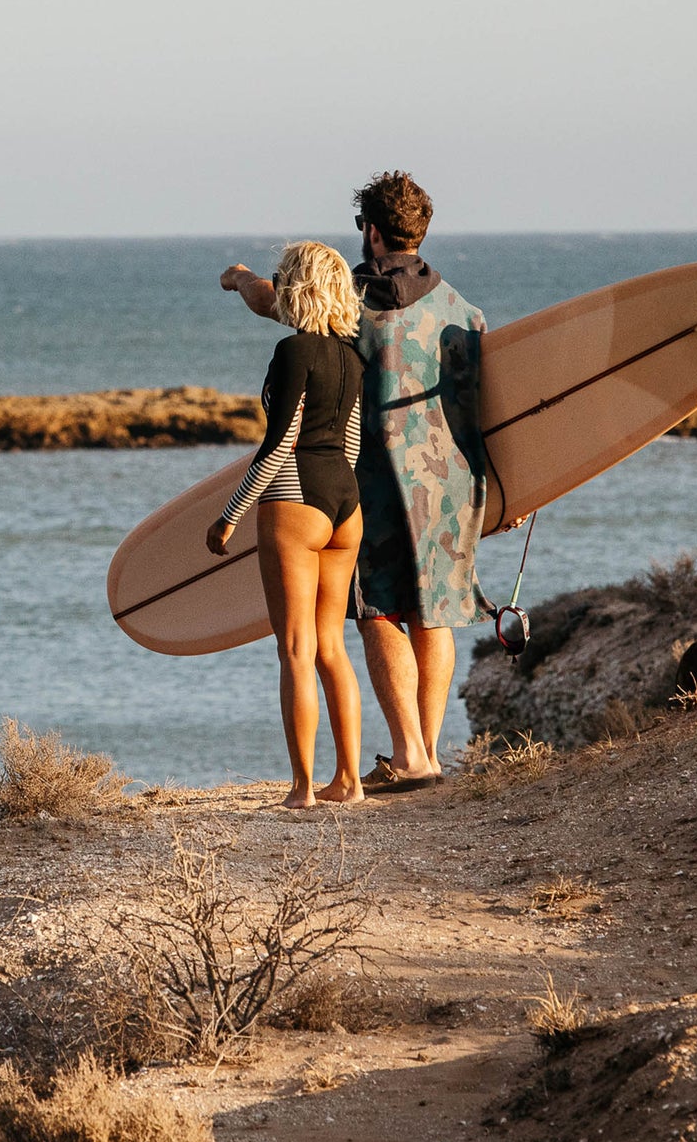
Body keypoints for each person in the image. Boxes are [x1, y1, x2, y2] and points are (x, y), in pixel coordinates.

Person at [220, 172, 494, 792]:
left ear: (371, 232)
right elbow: (484, 410)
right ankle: (426, 752)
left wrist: (239, 278)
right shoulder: (465, 313)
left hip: (364, 482)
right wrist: (507, 492)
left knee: (379, 610)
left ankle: (410, 754)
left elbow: (276, 300)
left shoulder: (346, 303)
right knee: (434, 612)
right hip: (449, 487)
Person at [206, 242, 368, 809]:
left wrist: (228, 517)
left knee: (296, 648)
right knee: (331, 647)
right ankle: (349, 782)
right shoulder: (351, 358)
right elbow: (351, 443)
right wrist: (336, 493)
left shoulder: (293, 351)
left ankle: (301, 788)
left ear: (296, 288)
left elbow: (278, 447)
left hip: (295, 501)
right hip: (345, 504)